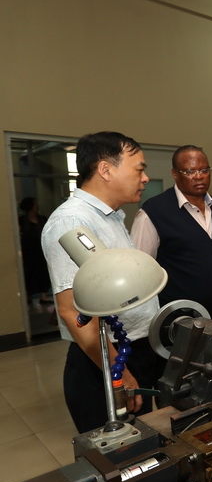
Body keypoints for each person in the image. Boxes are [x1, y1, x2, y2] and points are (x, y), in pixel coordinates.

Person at [41, 131, 161, 433]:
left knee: (145, 443)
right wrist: (119, 376)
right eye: (139, 169)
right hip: (104, 360)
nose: (145, 178)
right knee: (117, 453)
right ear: (106, 169)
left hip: (133, 352)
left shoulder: (111, 217)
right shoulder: (72, 222)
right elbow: (71, 311)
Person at [132, 145, 212, 324]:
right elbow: (139, 273)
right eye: (190, 171)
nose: (198, 176)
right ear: (175, 174)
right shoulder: (152, 213)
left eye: (204, 170)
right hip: (181, 318)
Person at [18, 197, 52, 304]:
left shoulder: (42, 219)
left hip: (41, 250)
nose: (38, 205)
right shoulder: (21, 220)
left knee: (43, 272)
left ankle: (43, 296)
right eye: (36, 203)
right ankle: (28, 295)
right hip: (27, 251)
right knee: (28, 273)